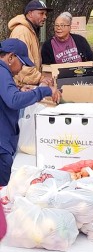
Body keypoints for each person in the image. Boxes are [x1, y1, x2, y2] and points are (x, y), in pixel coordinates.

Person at [0, 39, 61, 185]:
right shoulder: (2, 71)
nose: (22, 68)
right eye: (22, 63)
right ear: (10, 57)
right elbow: (13, 100)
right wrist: (44, 91)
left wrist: (19, 90)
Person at [8, 0, 53, 86]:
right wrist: (40, 78)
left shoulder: (30, 30)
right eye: (41, 13)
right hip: (21, 87)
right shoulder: (22, 32)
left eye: (45, 14)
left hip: (27, 85)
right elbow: (20, 65)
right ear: (30, 14)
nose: (45, 17)